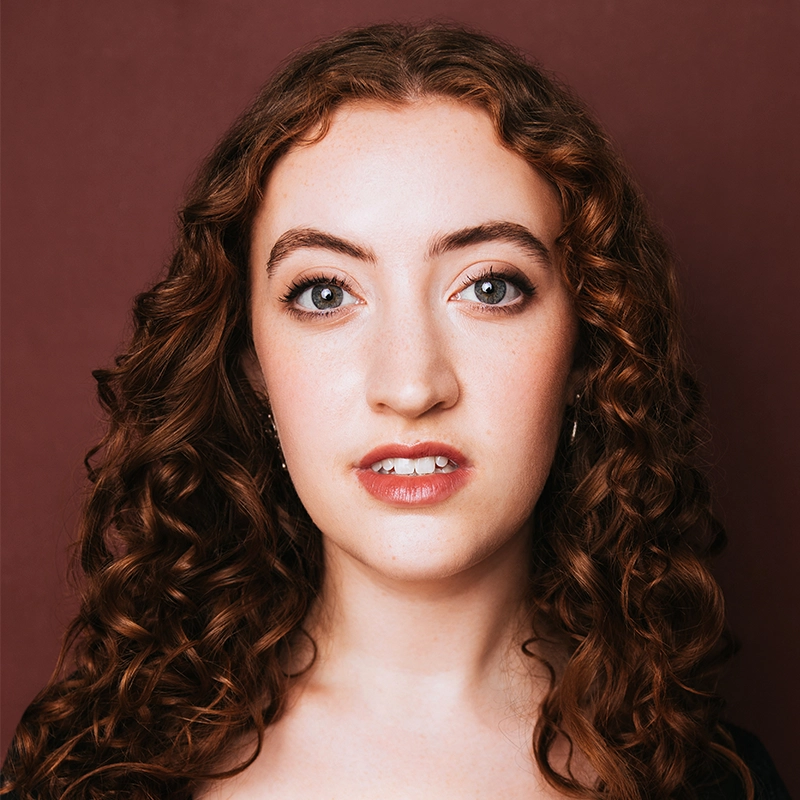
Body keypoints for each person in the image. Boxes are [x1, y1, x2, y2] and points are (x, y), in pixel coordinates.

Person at [1, 23, 790, 800]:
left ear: (587, 347)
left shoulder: (720, 786)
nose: (411, 387)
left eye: (490, 287)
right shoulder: (89, 776)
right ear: (251, 365)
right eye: (325, 293)